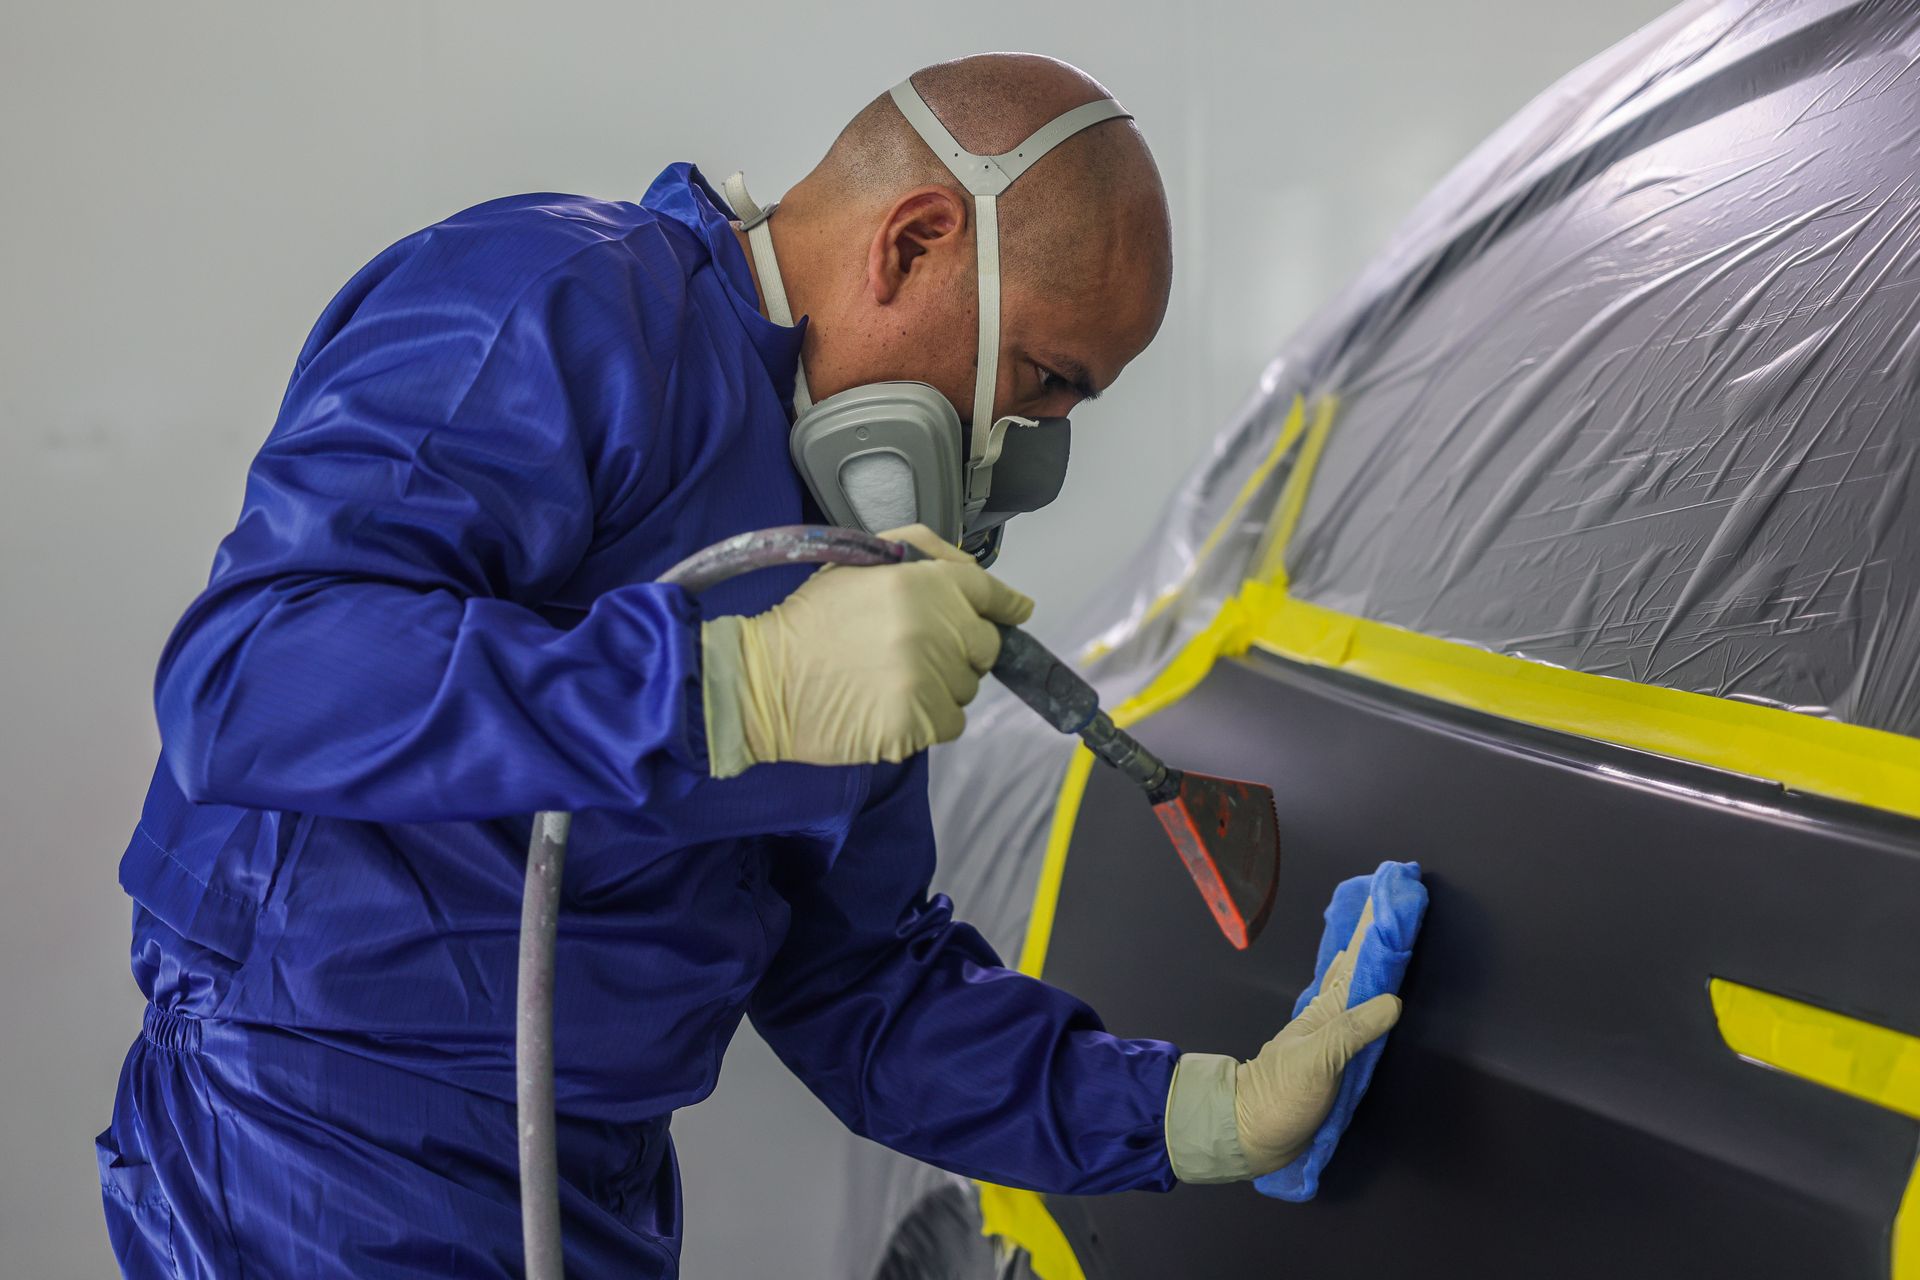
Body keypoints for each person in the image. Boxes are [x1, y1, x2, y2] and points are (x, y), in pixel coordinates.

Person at [96, 52, 1401, 1278]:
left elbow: (859, 981)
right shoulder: (560, 306)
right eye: (1042, 382)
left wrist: (1200, 1116)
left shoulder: (852, 565)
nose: (1027, 458)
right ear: (915, 242)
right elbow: (251, 677)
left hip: (590, 1183)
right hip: (311, 1146)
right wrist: (726, 688)